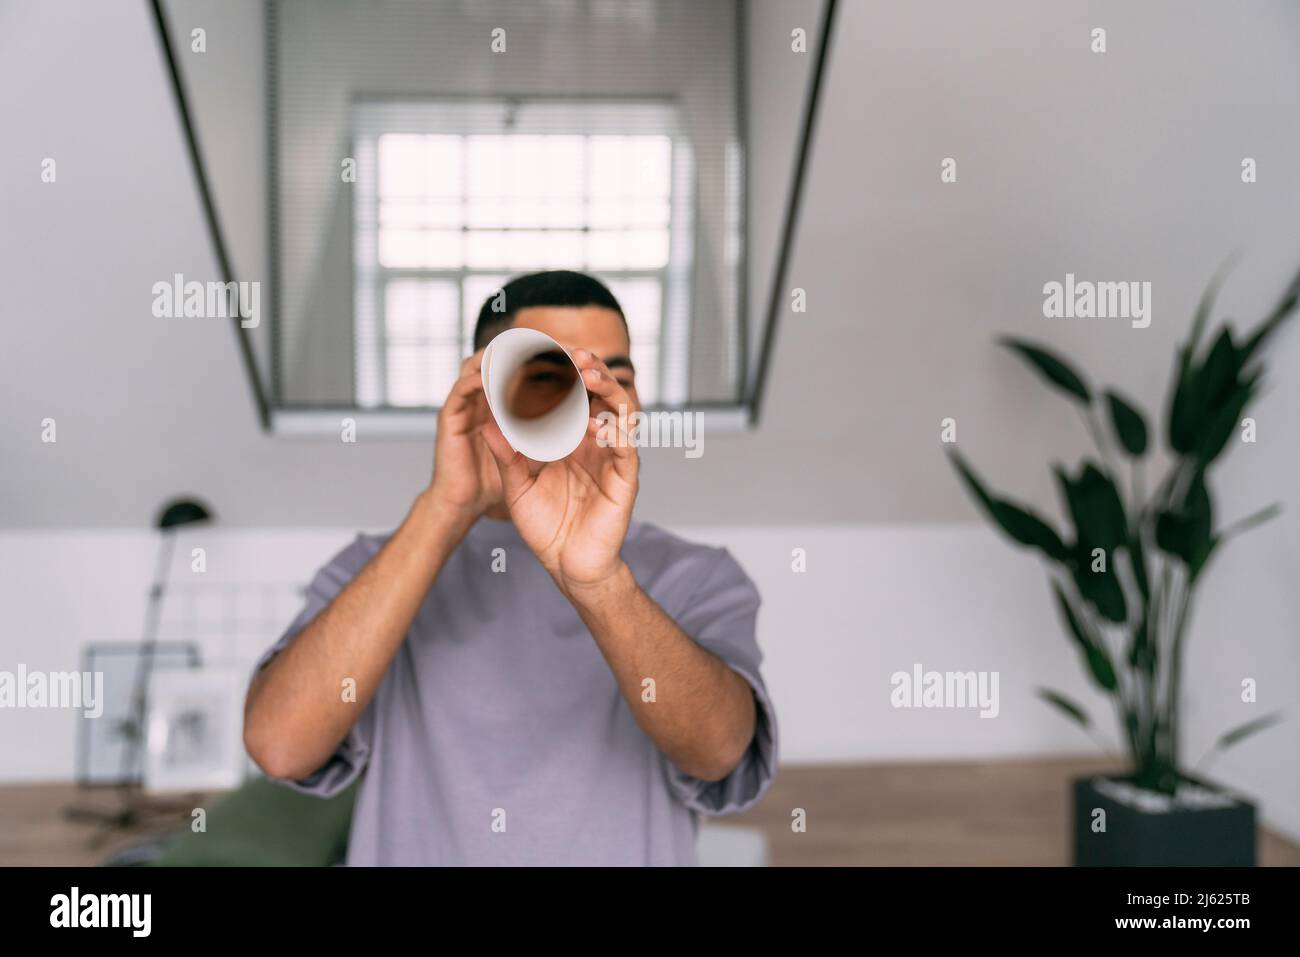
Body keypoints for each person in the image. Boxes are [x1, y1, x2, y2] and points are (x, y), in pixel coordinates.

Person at [243, 270, 777, 865]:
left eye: (614, 381)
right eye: (550, 380)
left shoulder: (693, 575)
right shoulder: (379, 569)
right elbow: (280, 745)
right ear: (484, 393)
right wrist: (446, 508)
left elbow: (720, 752)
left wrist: (598, 582)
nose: (590, 404)